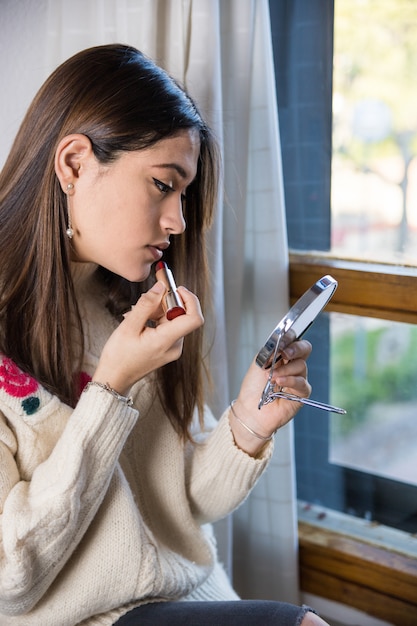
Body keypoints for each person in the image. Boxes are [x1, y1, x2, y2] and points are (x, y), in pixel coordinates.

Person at [0, 44, 330, 626]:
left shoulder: (129, 304)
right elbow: (10, 580)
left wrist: (248, 425)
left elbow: (182, 502)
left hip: (189, 599)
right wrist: (112, 388)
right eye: (162, 185)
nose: (177, 220)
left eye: (184, 194)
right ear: (73, 164)